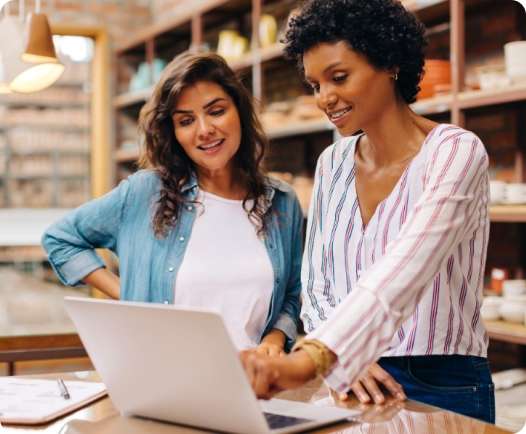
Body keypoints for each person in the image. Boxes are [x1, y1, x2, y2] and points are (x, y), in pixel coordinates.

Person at [240, 0, 494, 423]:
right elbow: (318, 281)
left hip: (441, 380)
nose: (325, 98)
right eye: (315, 84)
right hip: (346, 380)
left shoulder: (456, 152)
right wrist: (345, 359)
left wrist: (318, 356)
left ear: (390, 62)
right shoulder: (332, 163)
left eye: (339, 77)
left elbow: (407, 266)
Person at [42, 52, 303, 355]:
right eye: (186, 121)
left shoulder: (281, 202)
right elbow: (60, 239)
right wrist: (129, 296)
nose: (204, 129)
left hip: (257, 387)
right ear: (174, 133)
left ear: (239, 112)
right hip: (163, 381)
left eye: (216, 111)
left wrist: (274, 339)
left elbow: (293, 295)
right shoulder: (146, 192)